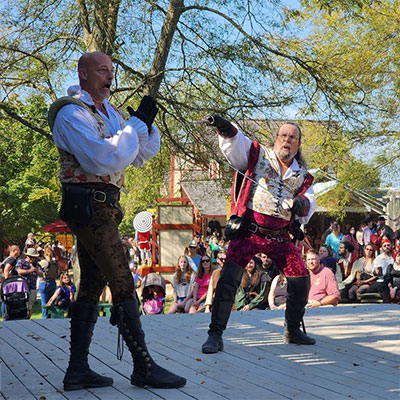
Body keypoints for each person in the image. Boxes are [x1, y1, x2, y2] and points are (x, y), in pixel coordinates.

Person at [48, 51, 185, 391]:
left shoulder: (110, 113)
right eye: (102, 71)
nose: (109, 77)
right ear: (83, 74)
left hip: (105, 205)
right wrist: (134, 127)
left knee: (92, 284)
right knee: (122, 278)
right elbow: (101, 157)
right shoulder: (70, 112)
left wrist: (143, 125)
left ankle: (77, 369)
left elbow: (137, 154)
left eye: (111, 71)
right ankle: (143, 366)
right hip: (88, 205)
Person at [201, 116, 316, 354]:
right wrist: (223, 126)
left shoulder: (303, 175)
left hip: (280, 236)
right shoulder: (258, 154)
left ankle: (292, 329)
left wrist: (299, 203)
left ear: (298, 143)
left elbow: (309, 202)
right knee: (228, 279)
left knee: (301, 279)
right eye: (283, 136)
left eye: (292, 137)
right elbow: (237, 143)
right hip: (249, 231)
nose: (287, 141)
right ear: (276, 139)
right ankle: (215, 334)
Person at [16, 247, 43, 317]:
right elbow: (19, 271)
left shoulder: (36, 265)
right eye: (30, 257)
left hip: (32, 287)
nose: (32, 259)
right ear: (27, 256)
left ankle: (28, 318)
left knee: (30, 306)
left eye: (34, 257)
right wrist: (29, 271)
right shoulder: (21, 262)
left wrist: (36, 271)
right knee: (22, 305)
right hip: (22, 287)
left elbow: (41, 275)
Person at [37, 247, 58, 319]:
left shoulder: (43, 262)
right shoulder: (54, 263)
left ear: (45, 253)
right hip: (52, 282)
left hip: (44, 282)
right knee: (51, 301)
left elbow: (39, 272)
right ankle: (52, 316)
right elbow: (57, 273)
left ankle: (45, 317)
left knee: (44, 302)